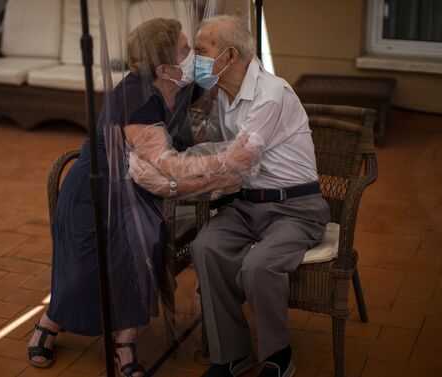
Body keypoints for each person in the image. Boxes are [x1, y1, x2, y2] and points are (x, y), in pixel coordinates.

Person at [27, 18, 254, 377]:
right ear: (164, 67)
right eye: (185, 50)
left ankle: (124, 340)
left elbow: (217, 74)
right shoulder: (139, 99)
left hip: (138, 193)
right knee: (92, 266)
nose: (192, 56)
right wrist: (230, 161)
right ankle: (51, 322)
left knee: (141, 250)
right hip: (96, 192)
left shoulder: (175, 85)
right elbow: (169, 165)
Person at [190, 15, 330, 377]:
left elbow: (239, 158)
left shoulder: (271, 93)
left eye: (201, 50)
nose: (195, 59)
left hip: (295, 208)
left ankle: (278, 356)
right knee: (205, 247)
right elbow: (209, 146)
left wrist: (178, 173)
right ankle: (233, 355)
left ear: (229, 55)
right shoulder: (221, 95)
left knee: (259, 265)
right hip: (247, 205)